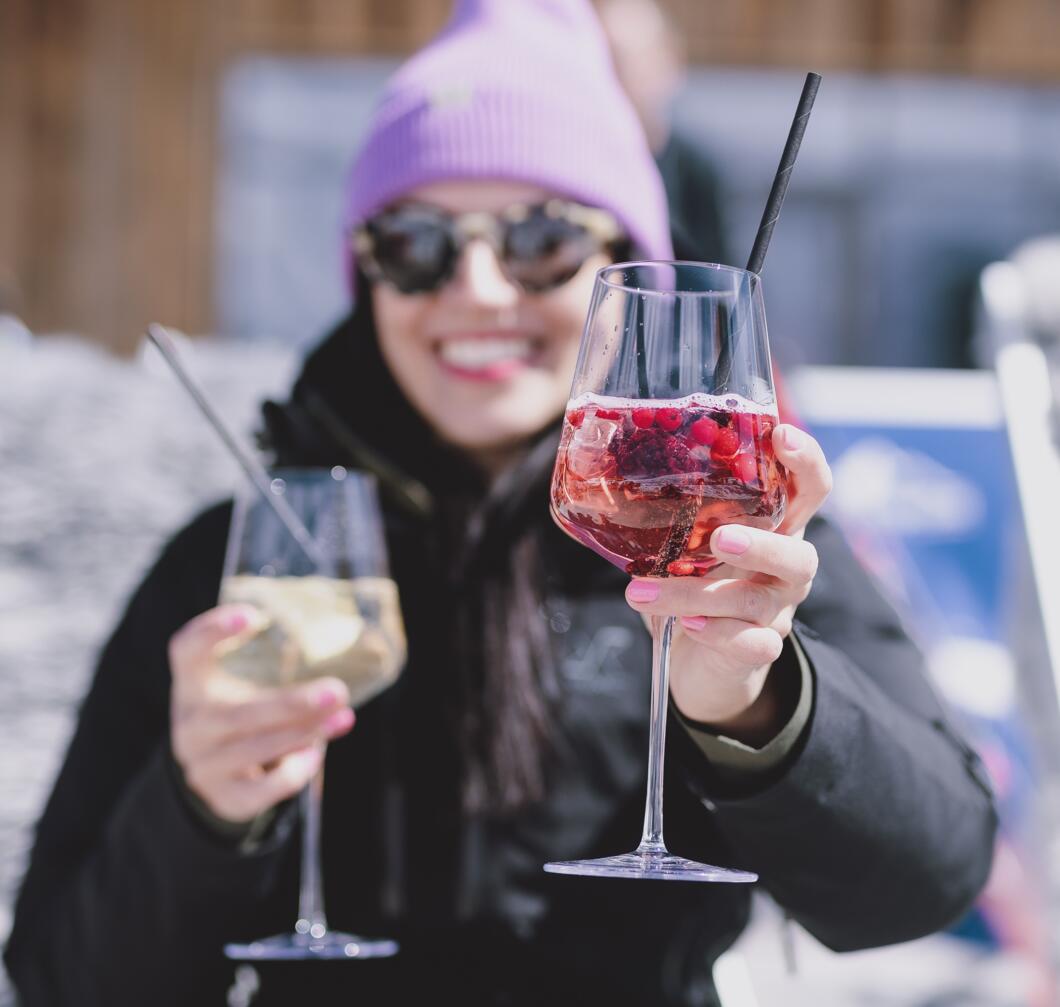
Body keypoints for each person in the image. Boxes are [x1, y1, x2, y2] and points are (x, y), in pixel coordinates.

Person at [5, 2, 996, 1005]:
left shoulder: (739, 549)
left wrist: (759, 703)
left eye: (540, 238)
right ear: (367, 274)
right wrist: (200, 807)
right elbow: (61, 980)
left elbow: (923, 885)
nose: (477, 289)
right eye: (415, 242)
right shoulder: (247, 559)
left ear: (623, 270)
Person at [597, 0, 729, 264]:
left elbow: (720, 272)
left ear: (671, 62)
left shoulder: (695, 169)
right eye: (609, 62)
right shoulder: (582, 169)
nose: (623, 78)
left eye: (635, 60)